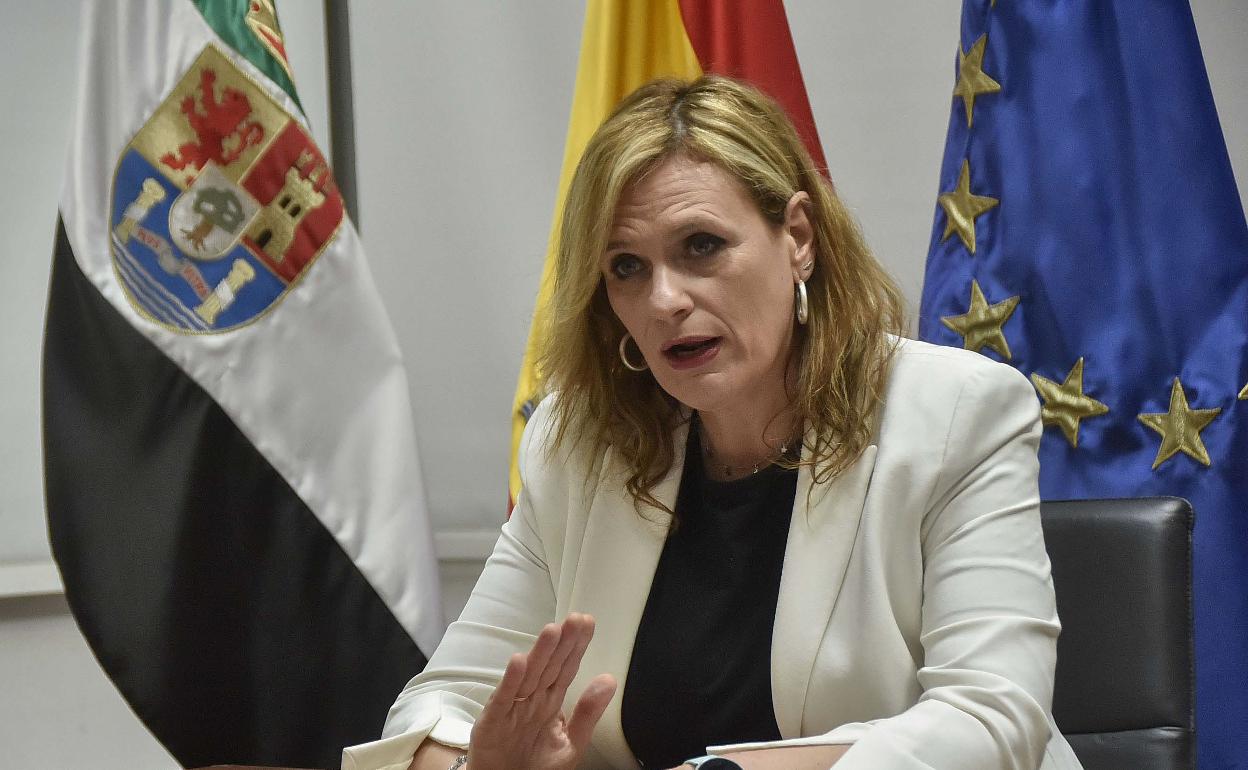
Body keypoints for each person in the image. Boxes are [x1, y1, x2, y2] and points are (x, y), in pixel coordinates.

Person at [343, 76, 1083, 770]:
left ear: (798, 238)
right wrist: (476, 764)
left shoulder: (956, 414)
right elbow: (436, 705)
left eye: (701, 247)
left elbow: (989, 719)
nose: (664, 300)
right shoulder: (579, 444)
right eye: (626, 267)